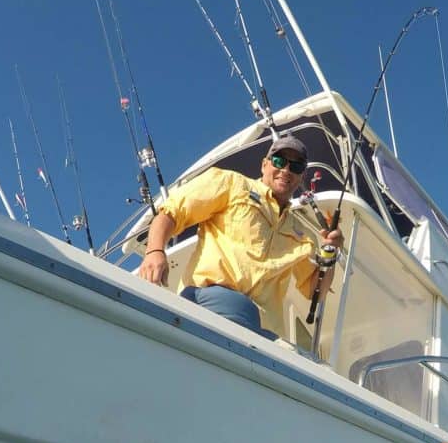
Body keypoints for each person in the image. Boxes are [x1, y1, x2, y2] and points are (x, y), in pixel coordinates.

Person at [138, 134, 342, 339]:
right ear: (264, 165)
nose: (286, 170)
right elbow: (172, 212)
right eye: (279, 161)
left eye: (296, 167)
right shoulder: (232, 183)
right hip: (215, 304)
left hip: (266, 334)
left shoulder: (303, 235)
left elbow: (315, 290)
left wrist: (331, 254)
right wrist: (155, 250)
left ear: (301, 177)